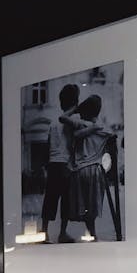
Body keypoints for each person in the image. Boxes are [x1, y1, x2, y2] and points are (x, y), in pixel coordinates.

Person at [60, 94, 111, 240]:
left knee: (82, 206)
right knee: (92, 208)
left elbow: (62, 118)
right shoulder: (104, 128)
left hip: (80, 170)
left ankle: (90, 235)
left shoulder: (81, 124)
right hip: (96, 171)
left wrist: (75, 109)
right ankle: (93, 234)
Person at [41, 83, 78, 243]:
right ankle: (63, 233)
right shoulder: (71, 121)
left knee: (50, 198)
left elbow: (48, 144)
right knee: (66, 200)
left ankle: (44, 231)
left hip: (52, 163)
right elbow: (72, 144)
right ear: (75, 101)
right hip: (65, 164)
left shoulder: (52, 123)